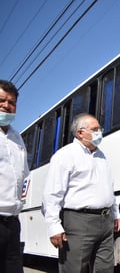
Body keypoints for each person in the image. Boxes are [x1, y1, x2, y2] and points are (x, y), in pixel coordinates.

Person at [42, 113, 120, 273]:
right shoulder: (65, 155)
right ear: (80, 132)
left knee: (105, 269)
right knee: (75, 269)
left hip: (105, 222)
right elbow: (52, 194)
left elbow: (108, 188)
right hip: (78, 222)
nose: (100, 132)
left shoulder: (102, 156)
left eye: (100, 129)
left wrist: (115, 213)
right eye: (95, 129)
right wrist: (54, 226)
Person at [0, 80, 30, 273]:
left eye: (11, 103)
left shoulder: (17, 138)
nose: (6, 106)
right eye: (1, 100)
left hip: (12, 222)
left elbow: (24, 174)